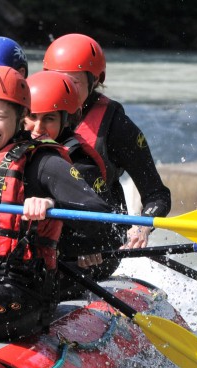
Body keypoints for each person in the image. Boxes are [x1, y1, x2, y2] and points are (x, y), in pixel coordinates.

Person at [0, 66, 112, 342]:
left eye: (0, 117)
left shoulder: (45, 163)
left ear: (20, 118)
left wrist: (51, 208)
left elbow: (103, 221)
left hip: (24, 292)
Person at [43, 33, 171, 251]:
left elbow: (157, 195)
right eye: (58, 81)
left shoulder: (116, 126)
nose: (63, 92)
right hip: (46, 231)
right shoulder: (32, 114)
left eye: (73, 83)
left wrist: (142, 226)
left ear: (95, 82)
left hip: (98, 240)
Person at [24, 70, 123, 287]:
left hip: (78, 260)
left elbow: (110, 230)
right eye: (32, 117)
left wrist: (88, 246)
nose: (37, 129)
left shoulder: (80, 164)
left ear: (67, 119)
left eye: (48, 119)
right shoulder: (11, 151)